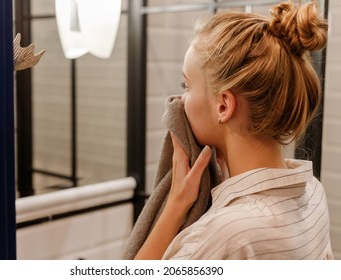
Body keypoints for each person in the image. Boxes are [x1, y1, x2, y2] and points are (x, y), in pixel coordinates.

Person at [135, 0, 333, 260]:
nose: (180, 101)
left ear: (224, 105)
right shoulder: (313, 193)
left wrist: (174, 207)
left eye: (186, 85)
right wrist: (179, 200)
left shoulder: (223, 235)